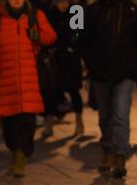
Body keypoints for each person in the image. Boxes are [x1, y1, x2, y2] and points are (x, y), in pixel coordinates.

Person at [0, 0, 56, 177]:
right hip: (5, 80)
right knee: (10, 126)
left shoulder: (35, 15)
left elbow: (51, 36)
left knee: (27, 122)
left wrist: (38, 36)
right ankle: (15, 151)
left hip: (29, 80)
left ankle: (21, 157)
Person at [83, 0, 137, 178]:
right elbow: (84, 38)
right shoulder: (94, 10)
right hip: (100, 73)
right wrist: (91, 62)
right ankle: (108, 150)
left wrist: (136, 63)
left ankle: (120, 154)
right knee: (105, 115)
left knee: (120, 114)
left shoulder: (133, 11)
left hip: (125, 74)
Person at [50, 0, 84, 136]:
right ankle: (49, 121)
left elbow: (78, 34)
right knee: (52, 90)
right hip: (56, 57)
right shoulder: (51, 13)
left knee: (73, 89)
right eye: (60, 2)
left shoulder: (76, 11)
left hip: (71, 58)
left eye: (65, 2)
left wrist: (73, 48)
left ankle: (79, 121)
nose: (63, 5)